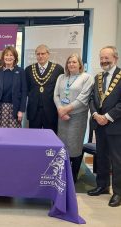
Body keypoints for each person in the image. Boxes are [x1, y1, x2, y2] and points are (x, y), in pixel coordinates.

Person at [87, 46, 121, 207]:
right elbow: (92, 98)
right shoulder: (98, 77)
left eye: (107, 58)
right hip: (99, 124)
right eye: (101, 58)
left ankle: (118, 192)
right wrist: (95, 115)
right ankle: (102, 185)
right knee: (101, 156)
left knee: (117, 160)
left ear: (115, 58)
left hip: (115, 125)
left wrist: (107, 117)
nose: (103, 61)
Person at [53, 53, 94, 183]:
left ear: (80, 64)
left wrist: (66, 109)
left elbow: (83, 98)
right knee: (63, 145)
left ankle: (73, 176)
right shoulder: (61, 77)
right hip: (62, 117)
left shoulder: (87, 78)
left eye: (74, 62)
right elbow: (56, 95)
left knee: (75, 146)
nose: (71, 64)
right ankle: (63, 174)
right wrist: (60, 109)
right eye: (69, 62)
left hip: (77, 117)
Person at [25, 44, 64, 133]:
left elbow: (60, 90)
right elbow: (27, 89)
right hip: (34, 111)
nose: (40, 56)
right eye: (38, 54)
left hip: (51, 110)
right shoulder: (28, 70)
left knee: (51, 138)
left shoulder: (58, 69)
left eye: (43, 53)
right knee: (34, 138)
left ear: (48, 54)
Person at [0, 46, 27, 128]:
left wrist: (21, 110)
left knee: (13, 135)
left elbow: (24, 92)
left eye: (11, 55)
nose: (8, 57)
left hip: (14, 108)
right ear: (3, 57)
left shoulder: (21, 72)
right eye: (6, 55)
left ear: (15, 57)